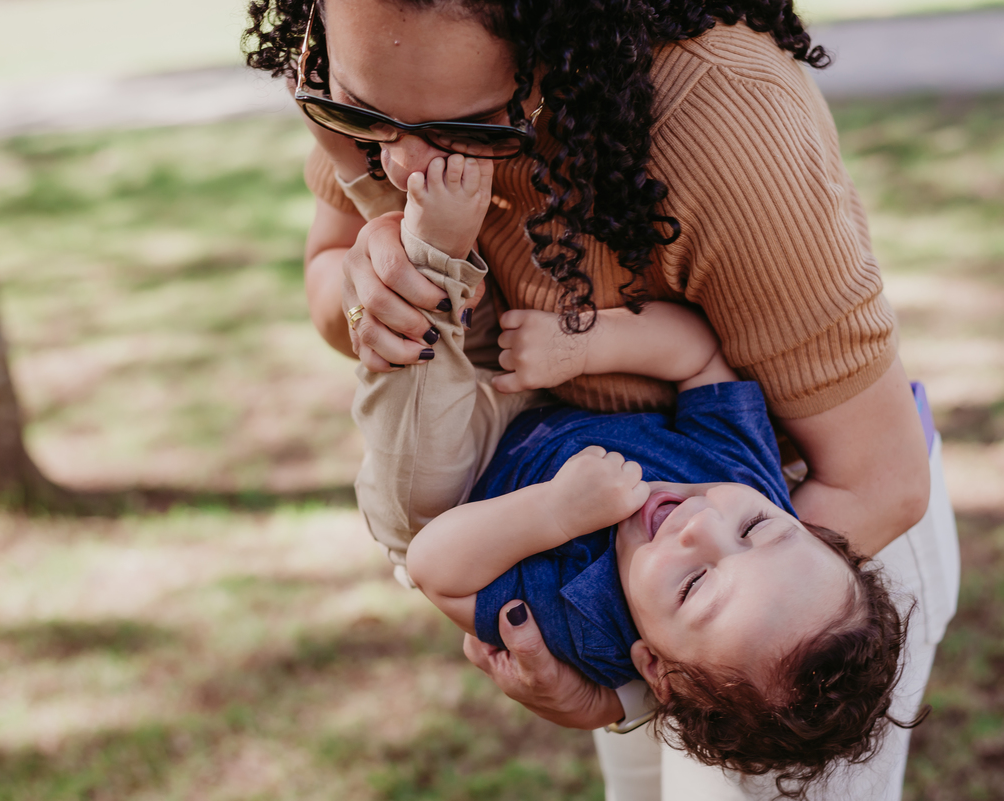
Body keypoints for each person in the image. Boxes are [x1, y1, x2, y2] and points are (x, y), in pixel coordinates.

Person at [242, 0, 961, 798]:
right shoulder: (380, 70)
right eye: (364, 114)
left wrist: (629, 685)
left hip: (805, 588)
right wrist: (372, 285)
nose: (406, 168)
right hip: (649, 601)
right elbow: (328, 272)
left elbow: (881, 483)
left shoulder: (719, 122)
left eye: (469, 129)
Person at [372, 152, 909, 795]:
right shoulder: (739, 475)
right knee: (492, 327)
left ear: (652, 665)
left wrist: (555, 513)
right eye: (759, 528)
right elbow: (697, 356)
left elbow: (437, 569)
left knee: (421, 406)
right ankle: (418, 188)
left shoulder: (589, 635)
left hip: (461, 489)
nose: (701, 524)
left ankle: (419, 235)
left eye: (694, 585)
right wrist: (584, 344)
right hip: (542, 403)